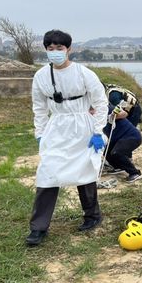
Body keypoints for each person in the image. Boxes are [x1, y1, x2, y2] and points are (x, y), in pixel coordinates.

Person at [26, 29, 108, 246]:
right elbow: (39, 107)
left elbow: (100, 103)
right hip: (57, 127)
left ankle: (92, 215)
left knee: (85, 170)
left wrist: (98, 131)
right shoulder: (41, 76)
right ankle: (38, 227)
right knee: (48, 173)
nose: (55, 52)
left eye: (59, 48)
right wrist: (40, 133)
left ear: (69, 49)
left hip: (83, 125)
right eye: (50, 49)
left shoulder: (84, 73)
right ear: (46, 50)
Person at [103, 103, 142, 182]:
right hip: (117, 138)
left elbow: (124, 113)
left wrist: (112, 117)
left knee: (117, 153)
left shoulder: (107, 108)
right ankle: (118, 167)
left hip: (132, 137)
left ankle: (135, 173)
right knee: (106, 150)